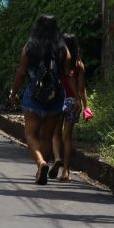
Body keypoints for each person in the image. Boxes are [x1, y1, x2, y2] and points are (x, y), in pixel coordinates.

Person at [9, 15, 71, 185]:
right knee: (47, 136)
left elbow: (22, 73)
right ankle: (40, 169)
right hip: (55, 98)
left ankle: (40, 163)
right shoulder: (63, 49)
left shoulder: (29, 47)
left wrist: (14, 92)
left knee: (30, 134)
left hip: (33, 97)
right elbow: (66, 73)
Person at [50, 33, 88, 181]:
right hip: (74, 103)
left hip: (59, 100)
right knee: (68, 137)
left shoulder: (58, 63)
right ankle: (66, 171)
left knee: (55, 134)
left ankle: (57, 158)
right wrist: (86, 106)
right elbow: (82, 87)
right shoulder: (79, 64)